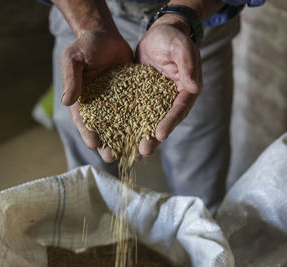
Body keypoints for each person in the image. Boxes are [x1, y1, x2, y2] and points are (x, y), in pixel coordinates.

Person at [40, 0, 264, 214]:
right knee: (88, 172)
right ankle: (93, 242)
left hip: (199, 24)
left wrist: (180, 17)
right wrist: (89, 25)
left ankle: (197, 248)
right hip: (82, 16)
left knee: (199, 175)